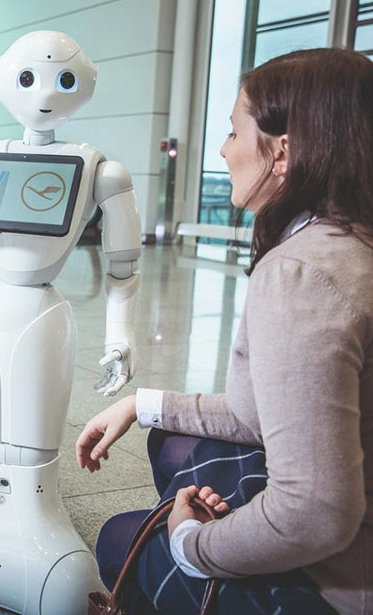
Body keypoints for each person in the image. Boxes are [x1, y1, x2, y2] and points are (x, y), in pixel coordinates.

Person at [75, 47, 373, 614]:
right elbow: (261, 409)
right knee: (170, 441)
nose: (223, 150)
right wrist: (143, 404)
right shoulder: (354, 241)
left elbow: (316, 512)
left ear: (282, 152)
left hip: (346, 583)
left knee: (121, 539)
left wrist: (193, 545)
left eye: (234, 132)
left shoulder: (305, 275)